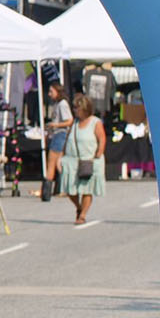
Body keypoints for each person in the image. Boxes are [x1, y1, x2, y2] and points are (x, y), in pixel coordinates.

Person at [58, 92, 105, 225]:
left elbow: (102, 138)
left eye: (77, 108)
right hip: (72, 160)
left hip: (88, 160)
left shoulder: (95, 122)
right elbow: (68, 139)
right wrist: (62, 156)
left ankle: (83, 215)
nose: (74, 110)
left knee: (86, 189)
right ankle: (78, 207)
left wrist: (98, 154)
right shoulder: (74, 123)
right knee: (69, 189)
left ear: (84, 109)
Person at [41, 81, 73, 202]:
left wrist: (56, 125)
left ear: (58, 92)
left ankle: (48, 191)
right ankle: (64, 187)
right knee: (58, 163)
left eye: (51, 91)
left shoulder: (62, 104)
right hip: (56, 134)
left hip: (60, 134)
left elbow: (69, 121)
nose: (49, 94)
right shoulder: (56, 104)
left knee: (53, 162)